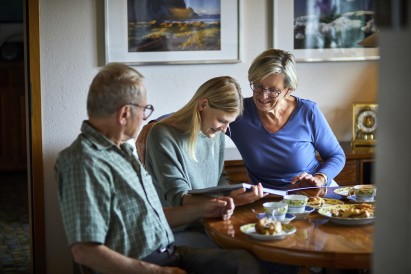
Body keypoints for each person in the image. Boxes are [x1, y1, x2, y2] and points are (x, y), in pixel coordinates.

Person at [55, 63, 263, 274]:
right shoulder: (83, 161)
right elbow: (84, 252)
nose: (145, 118)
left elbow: (151, 218)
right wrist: (158, 272)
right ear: (125, 113)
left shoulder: (122, 153)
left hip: (166, 252)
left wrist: (206, 208)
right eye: (144, 110)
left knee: (244, 263)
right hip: (143, 263)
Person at [144, 76, 266, 248]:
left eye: (229, 123)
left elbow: (220, 180)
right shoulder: (162, 134)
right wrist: (228, 201)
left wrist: (232, 197)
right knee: (245, 258)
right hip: (179, 230)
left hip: (213, 222)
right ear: (203, 105)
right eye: (222, 120)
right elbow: (179, 198)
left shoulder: (216, 134)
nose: (225, 129)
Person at [228, 48, 346, 196]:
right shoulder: (237, 114)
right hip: (269, 203)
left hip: (315, 195)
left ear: (288, 90)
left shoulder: (308, 111)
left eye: (273, 90)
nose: (263, 96)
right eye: (258, 86)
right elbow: (202, 121)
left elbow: (336, 155)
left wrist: (320, 178)